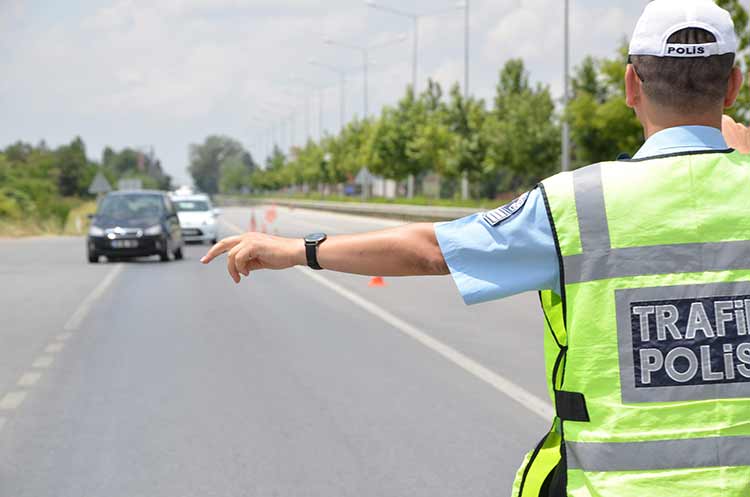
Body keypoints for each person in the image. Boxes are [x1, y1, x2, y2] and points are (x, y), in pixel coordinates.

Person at [202, 1, 750, 495]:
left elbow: (428, 252)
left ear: (631, 85)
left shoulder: (575, 205)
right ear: (733, 87)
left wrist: (298, 249)